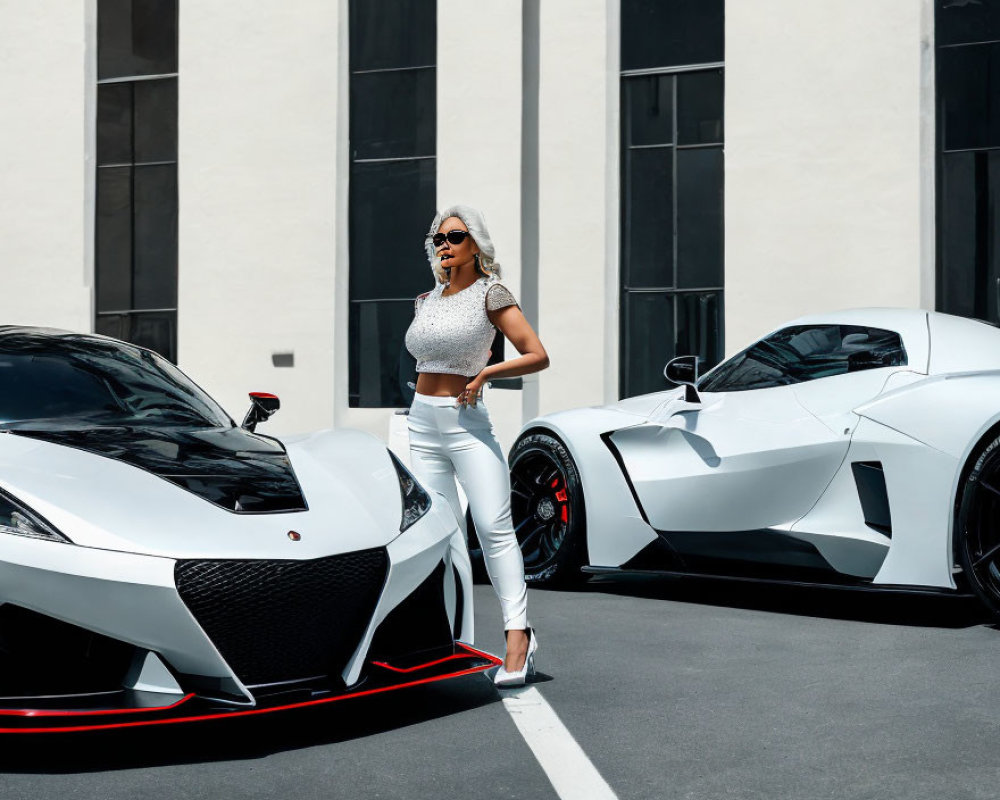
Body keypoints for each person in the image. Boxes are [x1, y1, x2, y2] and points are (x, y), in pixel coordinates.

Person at [403, 204, 549, 687]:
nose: (444, 245)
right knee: (437, 536)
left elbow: (537, 355)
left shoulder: (491, 292)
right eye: (437, 239)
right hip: (421, 424)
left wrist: (486, 371)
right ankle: (447, 638)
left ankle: (517, 637)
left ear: (476, 244)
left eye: (454, 237)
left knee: (493, 526)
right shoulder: (427, 299)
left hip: (465, 422)